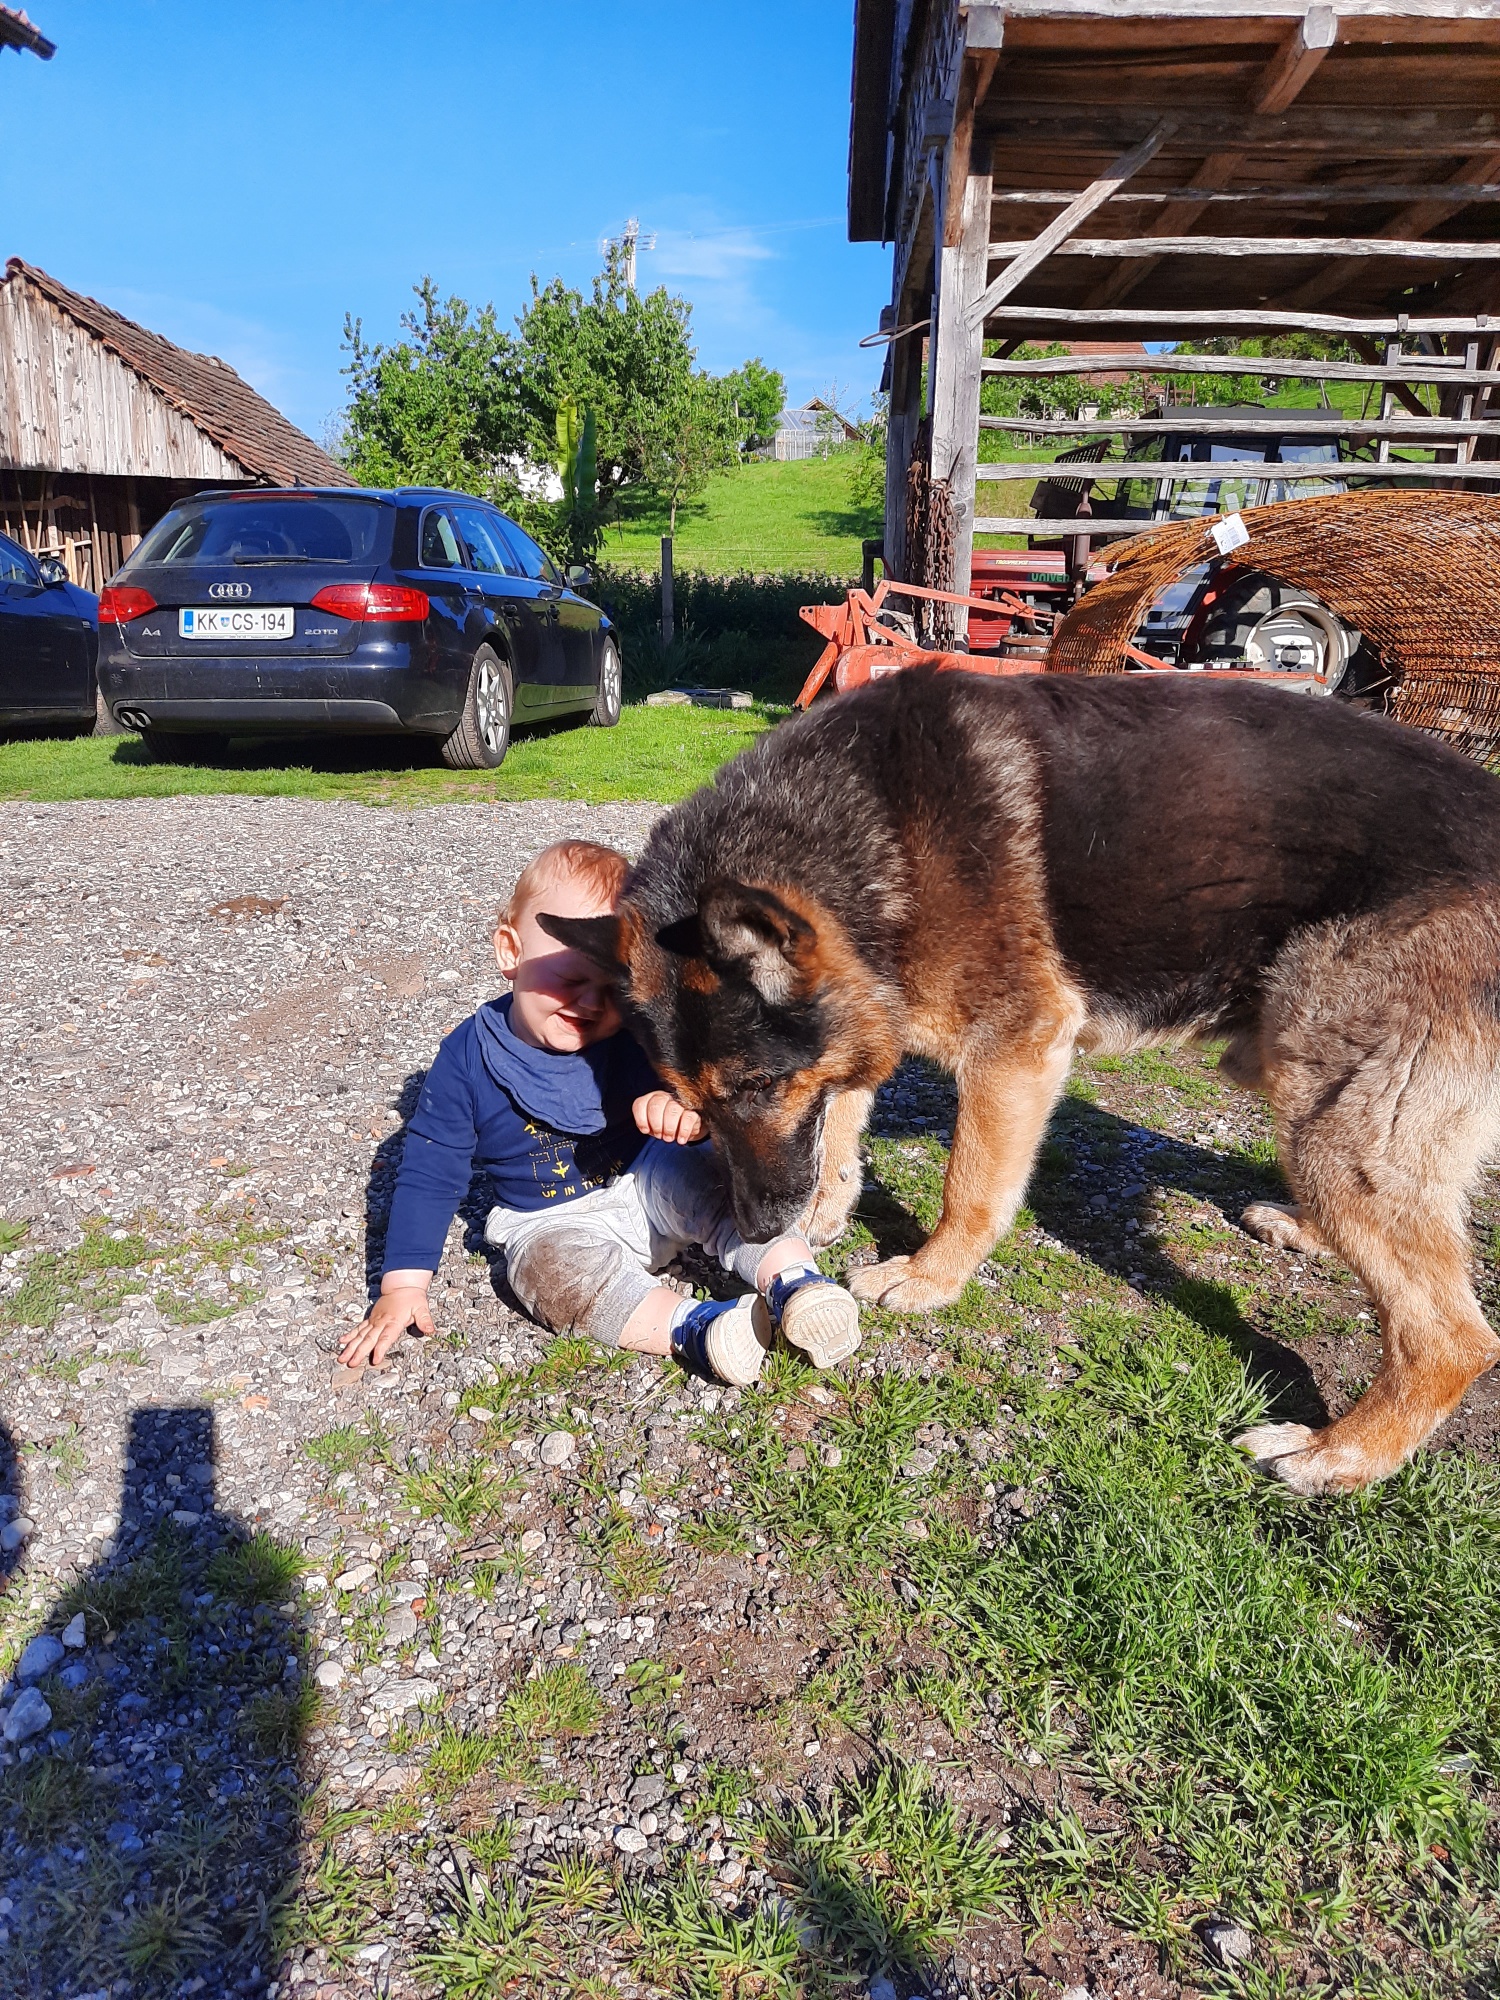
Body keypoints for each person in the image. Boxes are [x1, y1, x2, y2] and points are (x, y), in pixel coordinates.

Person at [338, 839, 861, 1387]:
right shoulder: (468, 1059)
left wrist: (682, 1111)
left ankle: (797, 1285)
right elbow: (429, 1172)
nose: (590, 1003)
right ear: (510, 953)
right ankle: (697, 1330)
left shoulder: (635, 1031)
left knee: (714, 1181)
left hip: (649, 1180)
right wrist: (402, 1285)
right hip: (550, 1219)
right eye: (569, 981)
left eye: (610, 989)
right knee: (543, 1273)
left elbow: (693, 1092)